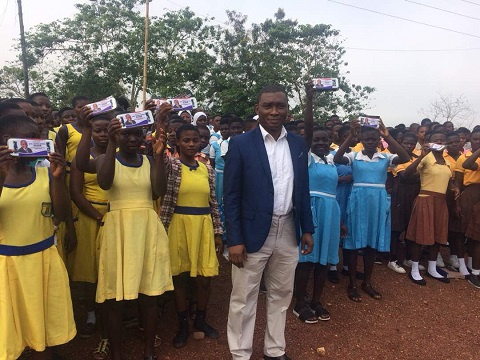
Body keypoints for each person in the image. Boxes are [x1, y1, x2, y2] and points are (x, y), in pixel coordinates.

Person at [224, 85, 314, 360]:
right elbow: (231, 195)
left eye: (280, 106)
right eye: (268, 106)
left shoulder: (297, 144)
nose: (274, 111)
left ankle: (275, 350)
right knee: (244, 297)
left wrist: (307, 228)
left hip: (288, 228)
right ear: (257, 109)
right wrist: (235, 239)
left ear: (287, 109)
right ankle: (240, 353)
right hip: (251, 233)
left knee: (281, 293)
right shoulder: (240, 144)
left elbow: (302, 188)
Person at [76, 108, 173, 360]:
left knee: (149, 294)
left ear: (143, 135)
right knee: (113, 298)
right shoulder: (105, 159)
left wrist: (159, 156)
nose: (132, 139)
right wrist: (110, 146)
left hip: (146, 228)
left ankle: (149, 350)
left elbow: (157, 192)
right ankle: (117, 352)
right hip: (117, 228)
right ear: (117, 136)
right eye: (126, 134)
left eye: (137, 134)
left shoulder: (150, 161)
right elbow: (105, 183)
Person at [0, 114, 76, 360]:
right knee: (11, 330)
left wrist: (57, 178)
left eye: (40, 138)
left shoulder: (45, 174)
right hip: (8, 267)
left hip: (43, 260)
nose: (38, 143)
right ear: (6, 142)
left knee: (43, 331)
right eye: (30, 139)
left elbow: (62, 214)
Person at [159, 121, 223, 348]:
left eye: (195, 140)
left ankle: (201, 319)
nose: (191, 144)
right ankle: (183, 323)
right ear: (177, 142)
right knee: (180, 279)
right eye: (186, 140)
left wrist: (218, 232)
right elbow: (158, 159)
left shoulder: (207, 168)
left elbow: (213, 202)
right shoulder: (172, 166)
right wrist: (159, 123)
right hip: (178, 224)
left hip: (203, 225)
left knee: (204, 279)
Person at [334, 120, 409, 302]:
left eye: (373, 138)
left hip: (378, 201)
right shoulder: (354, 156)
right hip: (358, 200)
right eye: (366, 138)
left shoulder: (385, 158)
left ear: (378, 140)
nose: (369, 141)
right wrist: (352, 135)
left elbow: (405, 158)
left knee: (371, 244)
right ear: (362, 139)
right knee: (352, 243)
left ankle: (366, 282)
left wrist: (387, 135)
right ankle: (352, 283)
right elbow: (337, 159)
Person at [293, 83, 344, 324]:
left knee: (324, 259)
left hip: (331, 212)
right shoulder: (307, 158)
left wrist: (340, 220)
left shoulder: (331, 161)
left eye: (325, 140)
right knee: (306, 260)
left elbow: (334, 192)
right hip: (311, 211)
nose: (321, 143)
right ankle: (299, 302)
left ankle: (316, 300)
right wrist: (310, 100)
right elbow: (309, 129)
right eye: (317, 139)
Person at [69, 113, 110, 349]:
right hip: (90, 217)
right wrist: (97, 217)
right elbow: (75, 192)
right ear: (90, 132)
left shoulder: (119, 155)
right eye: (98, 130)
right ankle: (92, 315)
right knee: (91, 272)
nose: (103, 134)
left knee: (110, 268)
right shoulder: (81, 157)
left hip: (115, 217)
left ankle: (114, 313)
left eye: (106, 130)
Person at [404, 131, 460, 286]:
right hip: (425, 200)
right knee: (420, 234)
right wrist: (422, 155)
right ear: (429, 141)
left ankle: (432, 267)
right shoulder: (426, 158)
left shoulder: (448, 161)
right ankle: (415, 269)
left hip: (441, 202)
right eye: (436, 139)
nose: (439, 142)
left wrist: (454, 188)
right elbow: (407, 174)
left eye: (442, 139)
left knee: (437, 235)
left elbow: (449, 181)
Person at [389, 132, 421, 274]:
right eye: (406, 143)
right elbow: (404, 176)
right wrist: (419, 175)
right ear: (401, 143)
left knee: (411, 226)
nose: (409, 146)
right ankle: (393, 259)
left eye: (411, 144)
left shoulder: (417, 156)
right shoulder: (397, 158)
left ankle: (409, 258)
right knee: (397, 227)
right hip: (401, 194)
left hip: (415, 194)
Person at [456, 128, 480, 288]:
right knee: (467, 232)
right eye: (476, 139)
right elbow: (466, 166)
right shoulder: (464, 157)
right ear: (470, 139)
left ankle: (474, 267)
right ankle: (472, 271)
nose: (478, 141)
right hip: (471, 194)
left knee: (476, 236)